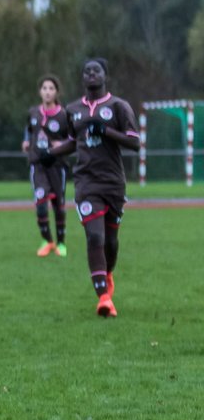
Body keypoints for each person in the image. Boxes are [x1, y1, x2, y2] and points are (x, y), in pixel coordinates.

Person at [48, 58, 139, 318]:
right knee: (95, 237)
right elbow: (72, 142)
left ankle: (107, 275)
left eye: (95, 71)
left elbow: (134, 143)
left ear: (105, 76)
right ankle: (103, 298)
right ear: (82, 78)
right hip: (86, 182)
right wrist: (52, 154)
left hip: (113, 183)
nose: (90, 74)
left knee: (110, 241)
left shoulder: (119, 107)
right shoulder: (73, 109)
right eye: (86, 71)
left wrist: (106, 131)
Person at [23, 75, 71, 257]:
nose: (48, 92)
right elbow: (28, 129)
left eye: (51, 88)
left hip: (57, 166)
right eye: (44, 88)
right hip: (38, 165)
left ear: (57, 92)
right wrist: (26, 141)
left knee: (58, 206)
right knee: (41, 204)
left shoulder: (64, 115)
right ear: (40, 92)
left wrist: (63, 144)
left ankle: (61, 243)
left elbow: (73, 138)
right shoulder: (33, 112)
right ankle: (47, 241)